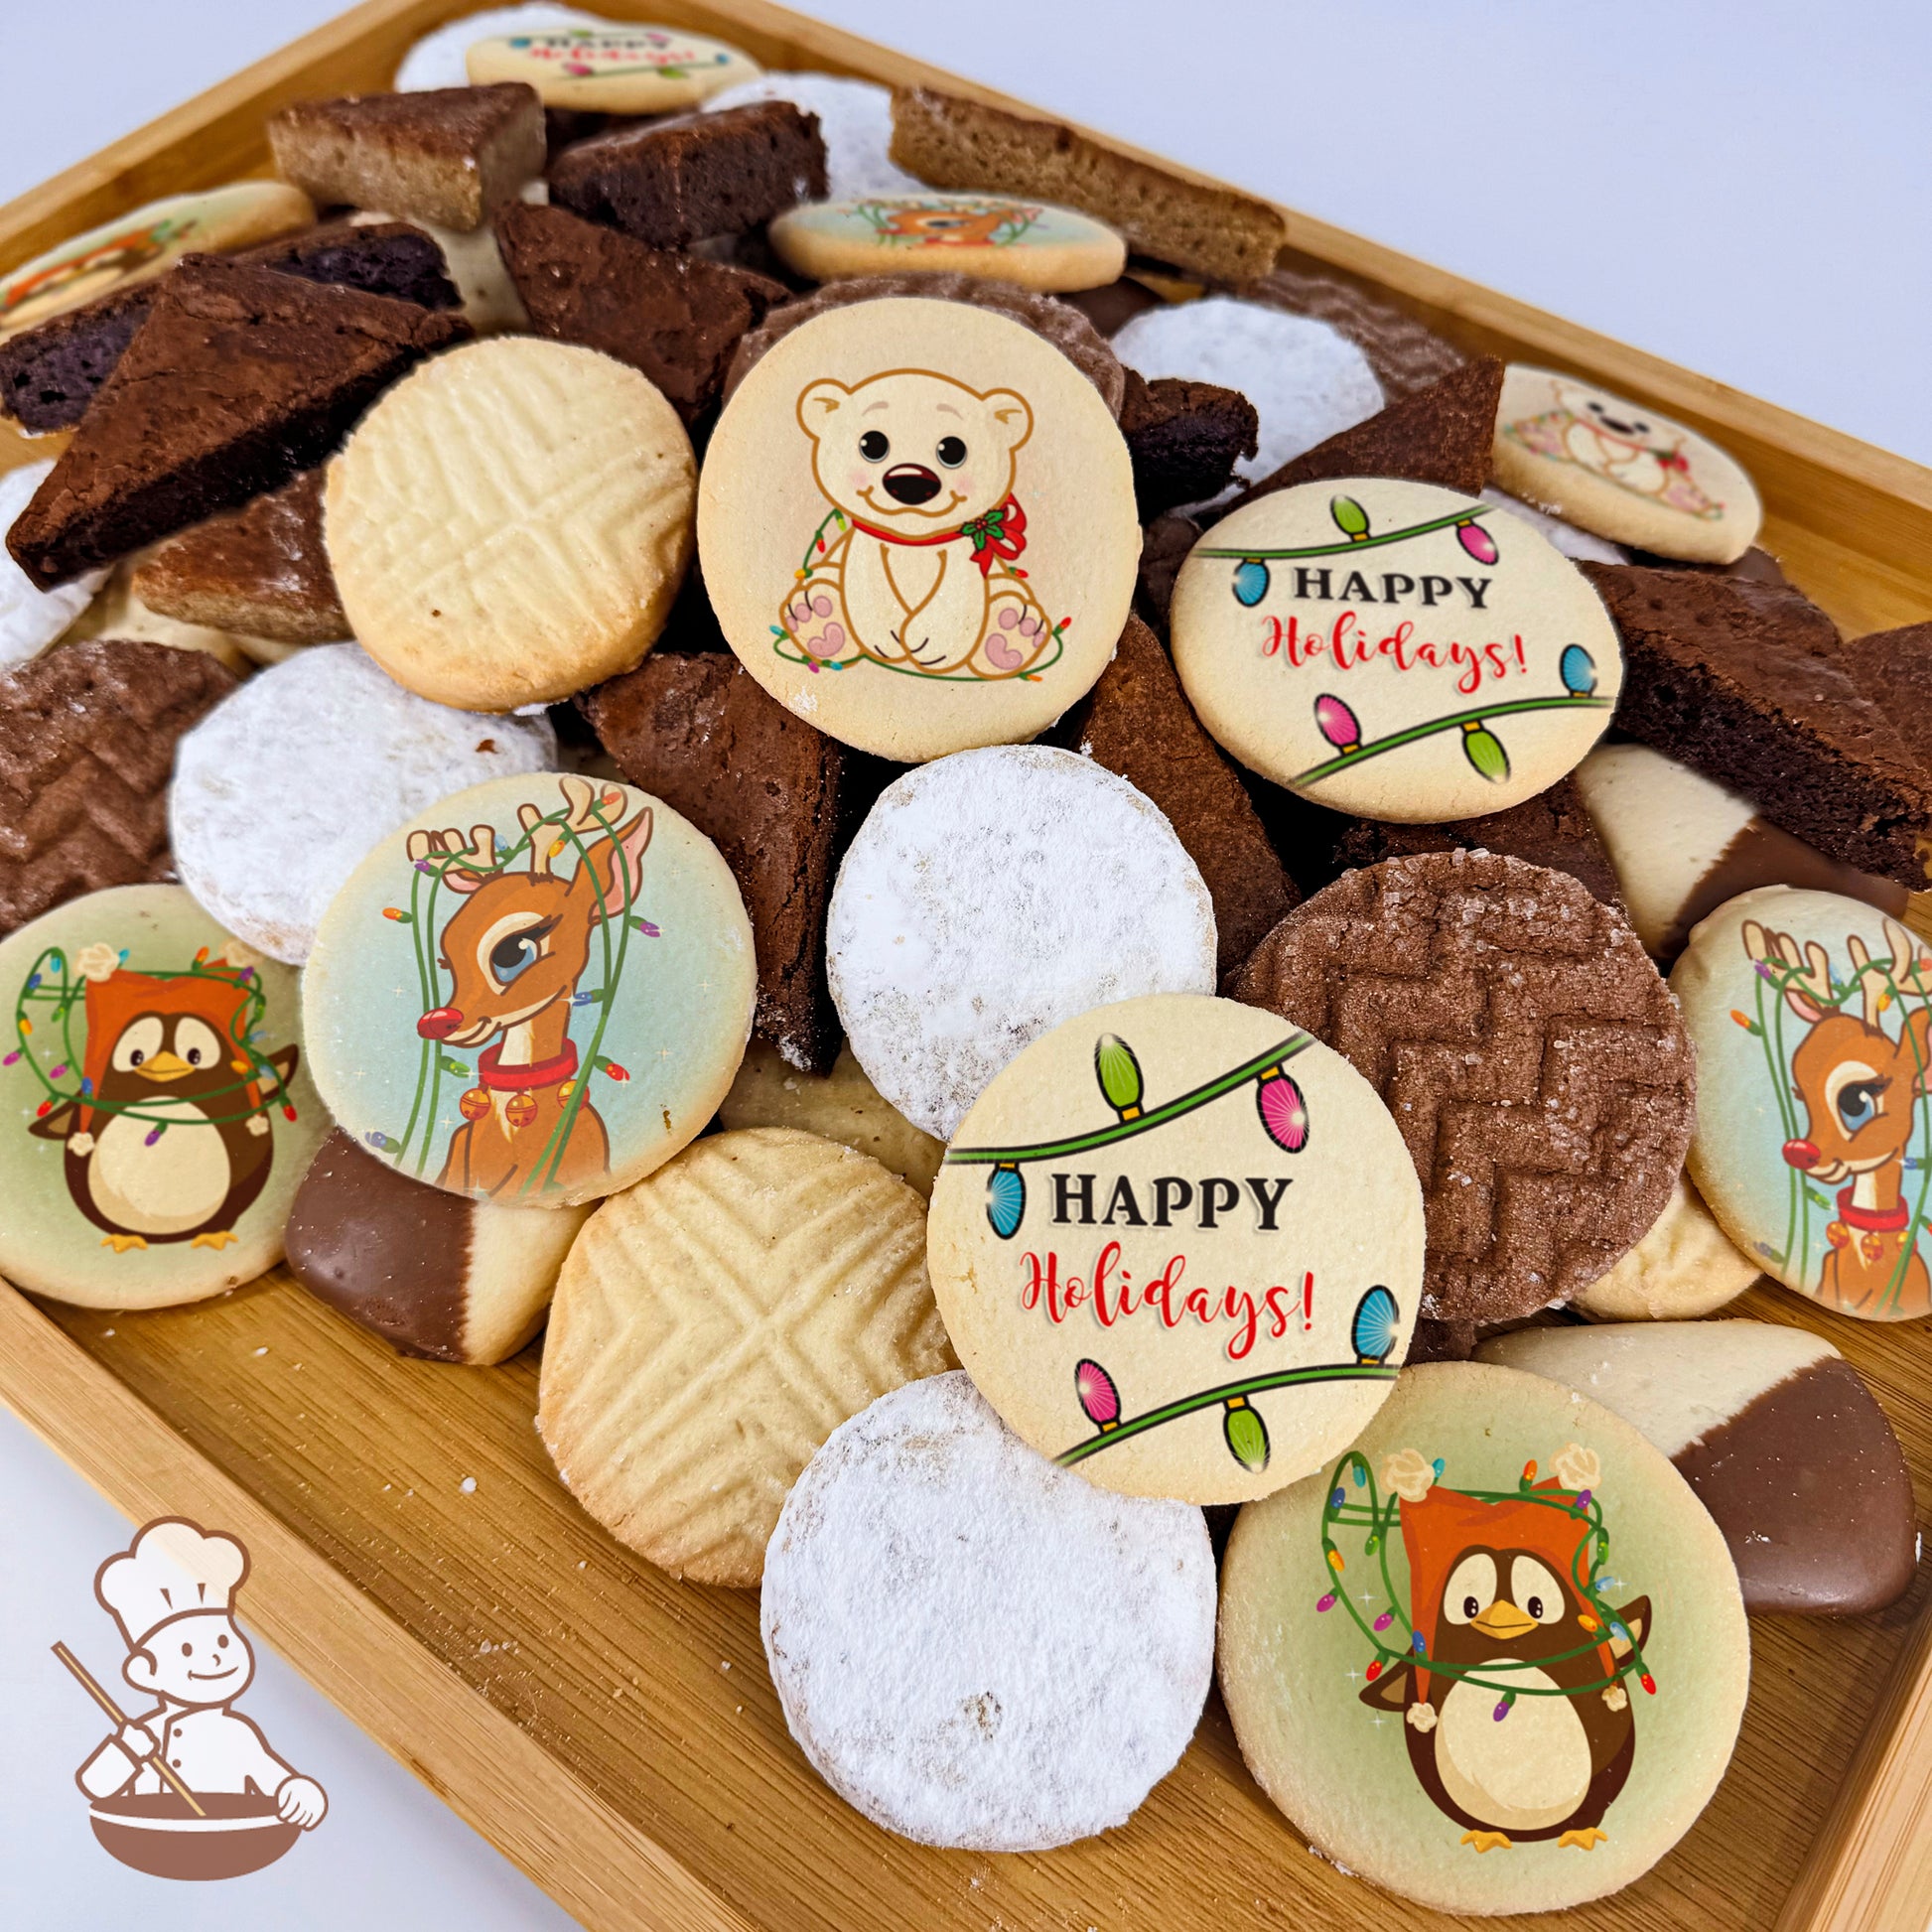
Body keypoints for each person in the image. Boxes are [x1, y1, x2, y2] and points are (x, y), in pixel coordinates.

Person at [74, 1518, 327, 1829]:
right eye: (187, 1650)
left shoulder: (237, 1734)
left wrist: (299, 1791)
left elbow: (274, 1779)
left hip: (228, 1841)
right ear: (146, 1672)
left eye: (223, 1640)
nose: (214, 1657)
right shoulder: (144, 1734)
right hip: (147, 1842)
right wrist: (126, 1751)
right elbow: (96, 1786)